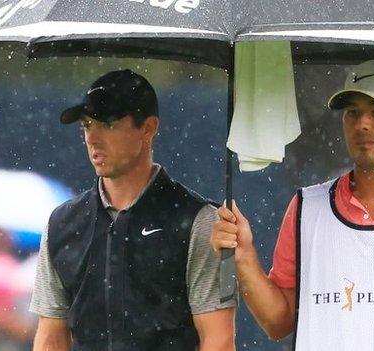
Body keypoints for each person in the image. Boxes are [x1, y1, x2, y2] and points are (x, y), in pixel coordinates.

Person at [211, 60, 374, 350]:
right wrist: (243, 257)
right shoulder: (306, 208)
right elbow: (278, 322)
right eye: (352, 113)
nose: (362, 124)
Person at [30, 69, 235, 350]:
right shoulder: (61, 224)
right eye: (87, 125)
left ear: (148, 128)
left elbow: (218, 339)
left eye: (108, 124)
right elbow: (50, 337)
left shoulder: (200, 221)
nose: (92, 138)